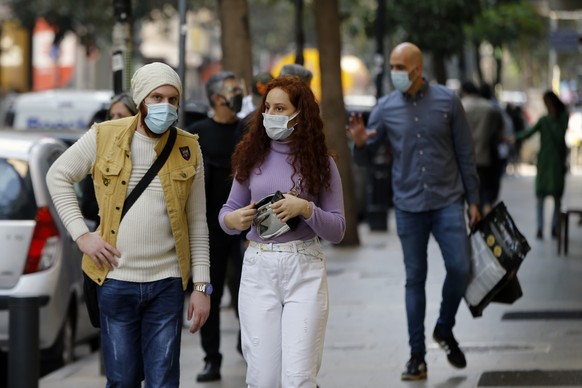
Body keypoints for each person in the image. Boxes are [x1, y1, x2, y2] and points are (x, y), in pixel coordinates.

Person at [46, 62, 211, 387]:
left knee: (164, 381)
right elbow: (58, 175)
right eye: (157, 97)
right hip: (115, 281)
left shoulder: (188, 147)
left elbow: (197, 222)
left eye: (173, 99)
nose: (166, 107)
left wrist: (202, 287)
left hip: (167, 282)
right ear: (140, 101)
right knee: (122, 381)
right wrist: (82, 236)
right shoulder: (104, 136)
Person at [348, 42, 481, 381]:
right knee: (414, 279)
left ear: (418, 69)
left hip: (449, 199)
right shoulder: (385, 107)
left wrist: (475, 200)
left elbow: (466, 153)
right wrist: (360, 143)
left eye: (399, 66)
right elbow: (364, 157)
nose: (394, 72)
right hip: (408, 204)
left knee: (460, 267)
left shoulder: (448, 101)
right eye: (391, 65)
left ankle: (444, 327)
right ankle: (416, 356)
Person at [219, 76, 345, 387]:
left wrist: (305, 209)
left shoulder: (321, 163)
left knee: (299, 377)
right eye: (268, 108)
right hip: (258, 267)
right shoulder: (251, 157)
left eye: (281, 108)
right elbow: (226, 213)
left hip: (305, 268)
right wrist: (234, 220)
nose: (272, 115)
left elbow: (339, 228)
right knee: (262, 378)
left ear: (300, 114)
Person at [186, 71, 245, 382]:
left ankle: (244, 341)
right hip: (208, 230)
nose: (237, 93)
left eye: (239, 88)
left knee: (246, 291)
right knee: (207, 289)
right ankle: (212, 358)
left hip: (245, 228)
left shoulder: (247, 129)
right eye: (231, 89)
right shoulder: (197, 134)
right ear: (215, 97)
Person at [515, 90, 568, 240]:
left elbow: (559, 136)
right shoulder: (543, 120)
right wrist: (515, 137)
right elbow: (529, 132)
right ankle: (540, 227)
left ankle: (554, 227)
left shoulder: (561, 118)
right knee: (540, 197)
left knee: (557, 198)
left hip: (556, 162)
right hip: (544, 162)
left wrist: (553, 118)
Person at [80, 92, 139, 225]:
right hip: (106, 235)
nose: (114, 120)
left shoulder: (147, 152)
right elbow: (88, 206)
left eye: (121, 116)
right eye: (111, 116)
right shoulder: (99, 153)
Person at [460, 81, 503, 215]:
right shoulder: (490, 108)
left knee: (468, 194)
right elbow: (499, 131)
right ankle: (487, 217)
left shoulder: (460, 106)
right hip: (486, 156)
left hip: (464, 159)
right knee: (485, 193)